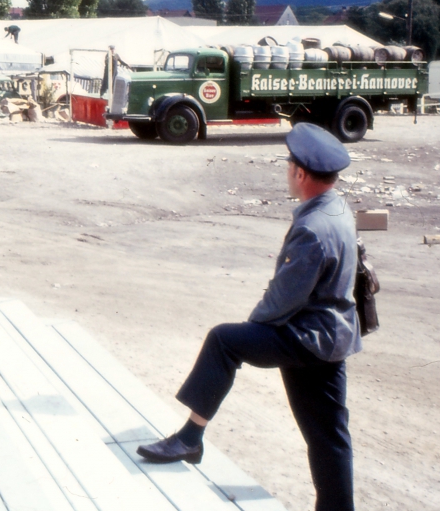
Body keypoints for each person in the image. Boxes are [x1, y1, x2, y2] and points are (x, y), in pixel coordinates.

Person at [136, 123, 360, 511]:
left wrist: (253, 327)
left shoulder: (313, 228)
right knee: (329, 436)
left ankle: (190, 438)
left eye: (289, 166)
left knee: (224, 340)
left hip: (305, 338)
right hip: (333, 337)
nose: (287, 173)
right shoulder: (337, 208)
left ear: (301, 173)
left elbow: (283, 300)